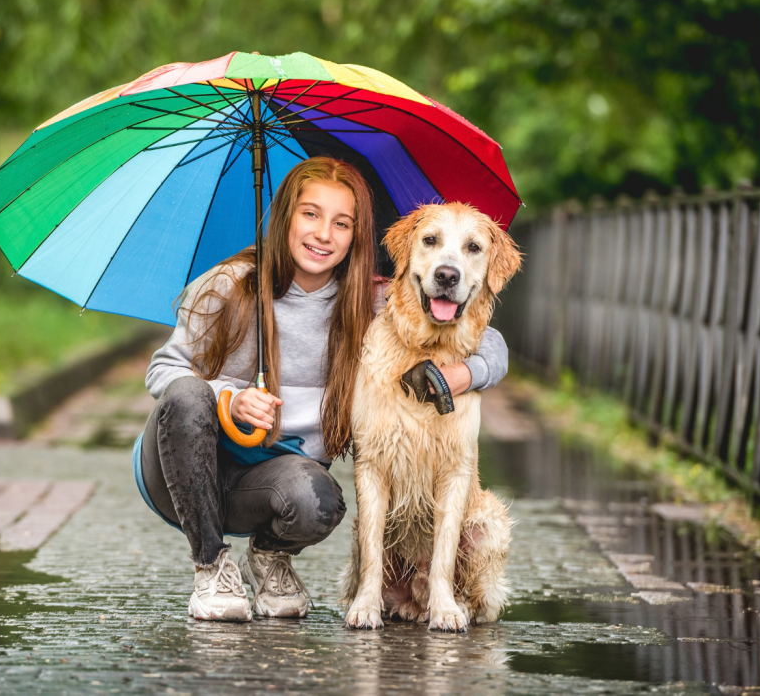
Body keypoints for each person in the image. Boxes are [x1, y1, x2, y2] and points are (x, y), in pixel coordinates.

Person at [134, 156, 509, 622]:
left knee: (322, 501)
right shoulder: (227, 284)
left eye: (342, 223)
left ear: (356, 235)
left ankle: (270, 556)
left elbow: (487, 340)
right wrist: (228, 397)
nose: (323, 234)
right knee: (187, 396)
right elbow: (163, 370)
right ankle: (211, 568)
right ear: (284, 217)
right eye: (310, 214)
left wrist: (464, 376)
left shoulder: (369, 299)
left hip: (269, 479)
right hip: (182, 473)